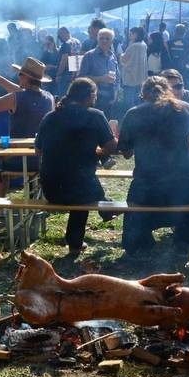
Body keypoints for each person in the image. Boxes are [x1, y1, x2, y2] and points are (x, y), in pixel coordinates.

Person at [117, 76, 189, 258]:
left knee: (137, 195)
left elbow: (125, 152)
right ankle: (183, 242)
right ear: (168, 91)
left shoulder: (133, 113)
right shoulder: (185, 108)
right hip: (183, 185)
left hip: (149, 186)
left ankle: (141, 242)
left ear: (143, 95)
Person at [35, 78, 118, 257]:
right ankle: (77, 241)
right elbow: (111, 147)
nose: (95, 99)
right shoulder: (95, 115)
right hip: (79, 190)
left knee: (80, 178)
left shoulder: (51, 116)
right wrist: (96, 151)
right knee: (83, 185)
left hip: (50, 189)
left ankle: (107, 209)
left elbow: (38, 149)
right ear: (89, 96)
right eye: (94, 96)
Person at [0, 57, 55, 196]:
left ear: (25, 77)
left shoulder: (16, 98)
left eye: (20, 74)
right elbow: (25, 94)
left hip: (18, 158)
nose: (18, 77)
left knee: (0, 164)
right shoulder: (49, 98)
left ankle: (0, 203)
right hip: (42, 158)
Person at [77, 28, 120, 120]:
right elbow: (81, 78)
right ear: (97, 39)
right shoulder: (89, 56)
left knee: (106, 124)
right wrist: (101, 78)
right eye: (101, 38)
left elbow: (118, 77)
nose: (104, 40)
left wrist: (116, 92)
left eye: (107, 38)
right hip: (94, 98)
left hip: (110, 99)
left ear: (112, 41)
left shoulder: (113, 57)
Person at [119, 27, 148, 108]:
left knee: (129, 102)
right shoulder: (144, 44)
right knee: (137, 99)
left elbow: (124, 59)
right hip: (140, 76)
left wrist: (120, 55)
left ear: (135, 34)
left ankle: (130, 116)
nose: (129, 36)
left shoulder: (134, 46)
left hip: (131, 77)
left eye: (130, 34)